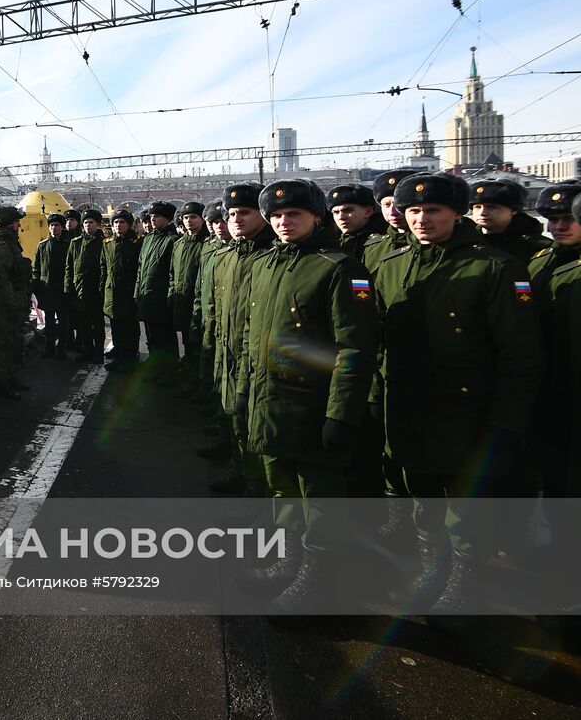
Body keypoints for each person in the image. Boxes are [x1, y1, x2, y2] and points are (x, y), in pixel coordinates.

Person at [374, 174, 542, 620]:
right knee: (422, 494)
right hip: (408, 404)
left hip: (468, 410)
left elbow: (519, 354)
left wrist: (508, 424)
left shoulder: (493, 268)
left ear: (456, 212)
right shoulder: (391, 264)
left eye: (433, 211)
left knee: (466, 504)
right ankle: (434, 572)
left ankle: (466, 586)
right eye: (413, 211)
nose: (421, 219)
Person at [237, 180, 380, 611]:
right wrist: (245, 390)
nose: (284, 222)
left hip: (313, 404)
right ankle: (292, 561)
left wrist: (341, 415)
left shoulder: (338, 268)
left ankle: (321, 581)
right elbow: (253, 336)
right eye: (277, 215)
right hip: (271, 400)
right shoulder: (267, 264)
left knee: (319, 496)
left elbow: (355, 349)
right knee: (282, 488)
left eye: (294, 214)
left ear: (316, 217)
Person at [202, 183, 274, 496]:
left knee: (256, 425)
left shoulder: (273, 255)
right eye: (231, 214)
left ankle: (256, 485)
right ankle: (239, 466)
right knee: (234, 415)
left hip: (258, 357)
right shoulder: (228, 257)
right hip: (227, 348)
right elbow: (218, 308)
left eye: (245, 212)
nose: (235, 220)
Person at [529, 182, 581, 500]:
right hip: (549, 390)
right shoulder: (539, 262)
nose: (559, 227)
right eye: (552, 219)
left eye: (568, 218)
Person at [0, 205, 32, 400]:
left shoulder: (10, 244)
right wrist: (12, 305)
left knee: (13, 343)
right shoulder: (0, 248)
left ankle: (12, 378)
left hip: (14, 304)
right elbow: (1, 281)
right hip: (4, 307)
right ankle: (2, 385)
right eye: (16, 222)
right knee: (2, 346)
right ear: (10, 224)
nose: (18, 225)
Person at [168, 201, 211, 387]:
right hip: (182, 301)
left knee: (201, 346)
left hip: (199, 303)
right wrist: (172, 293)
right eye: (186, 217)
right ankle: (188, 378)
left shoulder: (207, 244)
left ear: (202, 219)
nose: (189, 221)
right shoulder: (178, 245)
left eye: (193, 217)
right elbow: (172, 273)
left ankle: (198, 382)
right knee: (187, 341)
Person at [193, 202, 231, 405]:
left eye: (223, 220)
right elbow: (202, 284)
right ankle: (209, 395)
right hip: (209, 311)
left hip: (227, 319)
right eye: (214, 222)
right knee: (208, 356)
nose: (218, 226)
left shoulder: (236, 251)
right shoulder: (209, 247)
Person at [134, 201, 179, 375]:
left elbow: (173, 272)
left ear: (167, 218)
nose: (153, 220)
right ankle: (155, 365)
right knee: (151, 335)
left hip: (161, 298)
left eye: (157, 216)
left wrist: (169, 296)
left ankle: (168, 371)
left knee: (165, 338)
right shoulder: (148, 239)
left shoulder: (172, 240)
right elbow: (140, 268)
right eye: (151, 216)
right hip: (146, 296)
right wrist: (137, 292)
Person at [469, 179, 550, 263]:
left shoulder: (535, 246)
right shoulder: (467, 241)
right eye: (477, 207)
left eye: (491, 207)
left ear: (513, 211)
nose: (482, 213)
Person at [65, 209, 107, 362]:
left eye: (91, 222)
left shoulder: (104, 243)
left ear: (98, 224)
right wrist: (68, 287)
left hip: (96, 290)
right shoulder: (75, 243)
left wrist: (102, 289)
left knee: (97, 324)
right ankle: (87, 350)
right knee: (83, 324)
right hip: (79, 290)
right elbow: (69, 267)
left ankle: (98, 352)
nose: (88, 225)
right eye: (86, 222)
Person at [103, 208, 141, 372]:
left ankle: (131, 357)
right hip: (112, 294)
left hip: (130, 293)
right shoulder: (108, 244)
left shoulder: (138, 243)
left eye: (122, 222)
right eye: (116, 222)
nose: (119, 225)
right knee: (116, 328)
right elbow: (103, 268)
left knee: (131, 329)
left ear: (129, 225)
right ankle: (119, 357)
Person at [362, 168, 420, 273]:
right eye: (387, 205)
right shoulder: (373, 248)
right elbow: (362, 285)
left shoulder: (429, 245)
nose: (392, 212)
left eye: (399, 204)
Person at [31, 213, 71, 358]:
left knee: (64, 320)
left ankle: (62, 348)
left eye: (57, 225)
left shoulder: (69, 245)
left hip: (62, 289)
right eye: (52, 225)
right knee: (49, 321)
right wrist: (36, 286)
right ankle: (49, 347)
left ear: (62, 228)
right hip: (47, 289)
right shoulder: (42, 246)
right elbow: (36, 267)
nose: (54, 228)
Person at [328, 183, 388, 262]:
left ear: (368, 211)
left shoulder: (386, 243)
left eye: (347, 210)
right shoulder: (335, 244)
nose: (341, 217)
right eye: (336, 212)